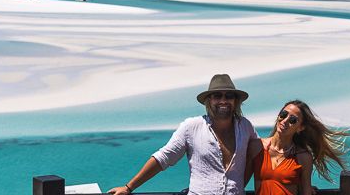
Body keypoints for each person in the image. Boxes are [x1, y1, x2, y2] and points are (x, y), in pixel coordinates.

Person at [108, 74, 260, 195]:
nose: (223, 100)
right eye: (217, 95)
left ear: (235, 101)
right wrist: (129, 187)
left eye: (229, 96)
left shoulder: (246, 127)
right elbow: (163, 158)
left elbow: (261, 155)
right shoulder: (191, 127)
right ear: (208, 101)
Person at [250, 100, 350, 195]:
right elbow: (240, 180)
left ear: (300, 128)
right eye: (283, 114)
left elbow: (305, 190)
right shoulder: (257, 146)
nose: (285, 121)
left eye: (293, 120)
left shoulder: (303, 157)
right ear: (278, 116)